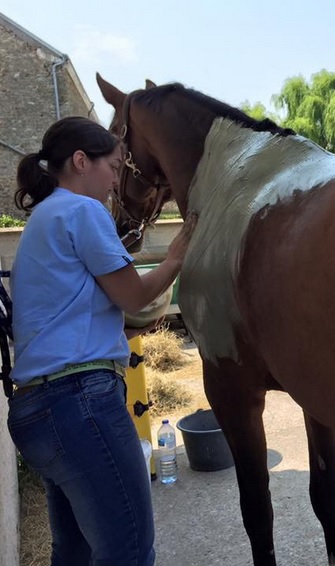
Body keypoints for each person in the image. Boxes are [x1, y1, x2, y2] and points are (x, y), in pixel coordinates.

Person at [6, 115, 197, 566]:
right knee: (128, 552)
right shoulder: (80, 209)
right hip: (80, 406)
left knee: (75, 552)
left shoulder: (44, 220)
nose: (116, 181)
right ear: (79, 161)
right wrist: (175, 258)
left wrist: (125, 331)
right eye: (112, 166)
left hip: (41, 410)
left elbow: (67, 313)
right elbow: (133, 292)